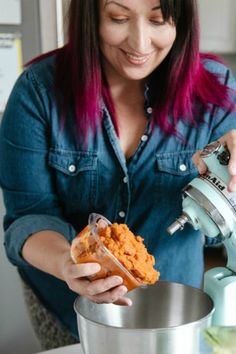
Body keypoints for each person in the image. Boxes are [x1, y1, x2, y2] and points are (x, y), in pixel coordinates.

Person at [0, 0, 236, 350]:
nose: (140, 43)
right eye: (119, 18)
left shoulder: (215, 92)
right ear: (90, 16)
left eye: (158, 20)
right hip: (67, 307)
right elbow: (28, 217)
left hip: (174, 312)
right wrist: (68, 263)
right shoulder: (38, 92)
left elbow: (220, 231)